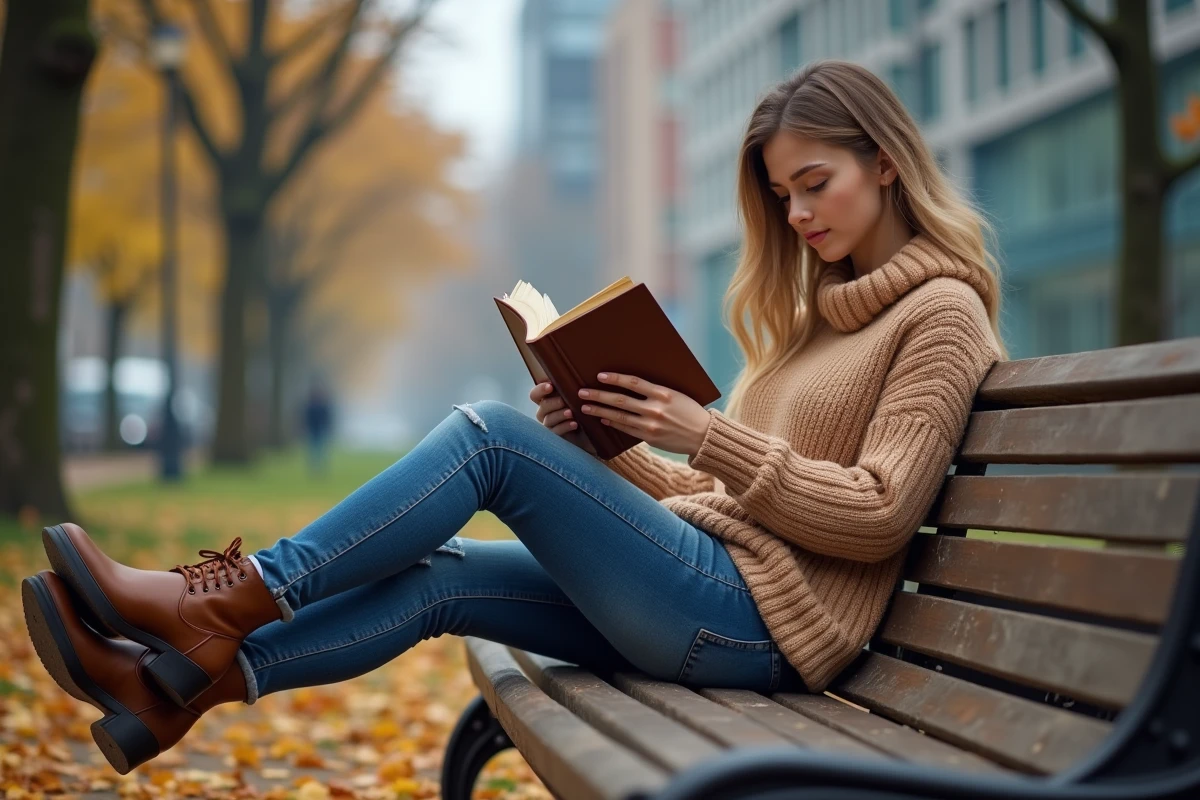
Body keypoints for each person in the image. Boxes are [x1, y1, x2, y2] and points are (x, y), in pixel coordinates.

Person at [21, 61, 1006, 774]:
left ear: (884, 162)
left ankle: (223, 599)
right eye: (783, 194)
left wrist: (703, 431)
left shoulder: (942, 314)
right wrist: (601, 441)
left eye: (814, 185)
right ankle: (173, 685)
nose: (797, 215)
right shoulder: (807, 322)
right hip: (707, 592)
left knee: (492, 436)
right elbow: (715, 498)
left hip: (761, 626)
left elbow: (879, 510)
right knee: (436, 583)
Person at [303, 381, 334, 475]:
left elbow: (327, 418)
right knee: (313, 450)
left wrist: (327, 427)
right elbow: (306, 418)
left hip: (320, 430)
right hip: (313, 430)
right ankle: (314, 468)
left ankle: (320, 468)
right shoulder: (310, 406)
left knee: (320, 449)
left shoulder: (322, 406)